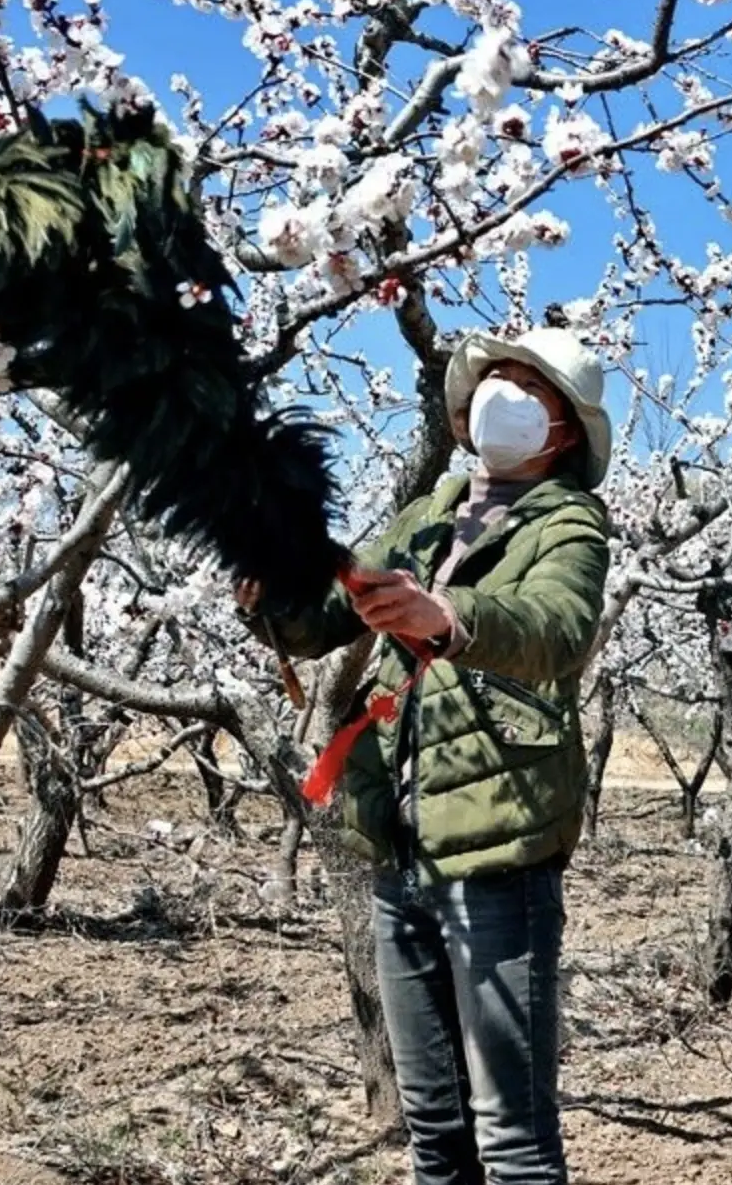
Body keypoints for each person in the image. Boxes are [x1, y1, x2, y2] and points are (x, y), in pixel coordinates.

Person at [236, 327, 613, 1185]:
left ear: (563, 430)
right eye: (497, 378)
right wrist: (276, 594)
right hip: (399, 852)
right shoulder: (429, 513)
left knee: (513, 1139)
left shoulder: (569, 524)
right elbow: (334, 617)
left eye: (531, 387)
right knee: (435, 1127)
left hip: (496, 850)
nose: (504, 395)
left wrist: (447, 617)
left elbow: (556, 628)